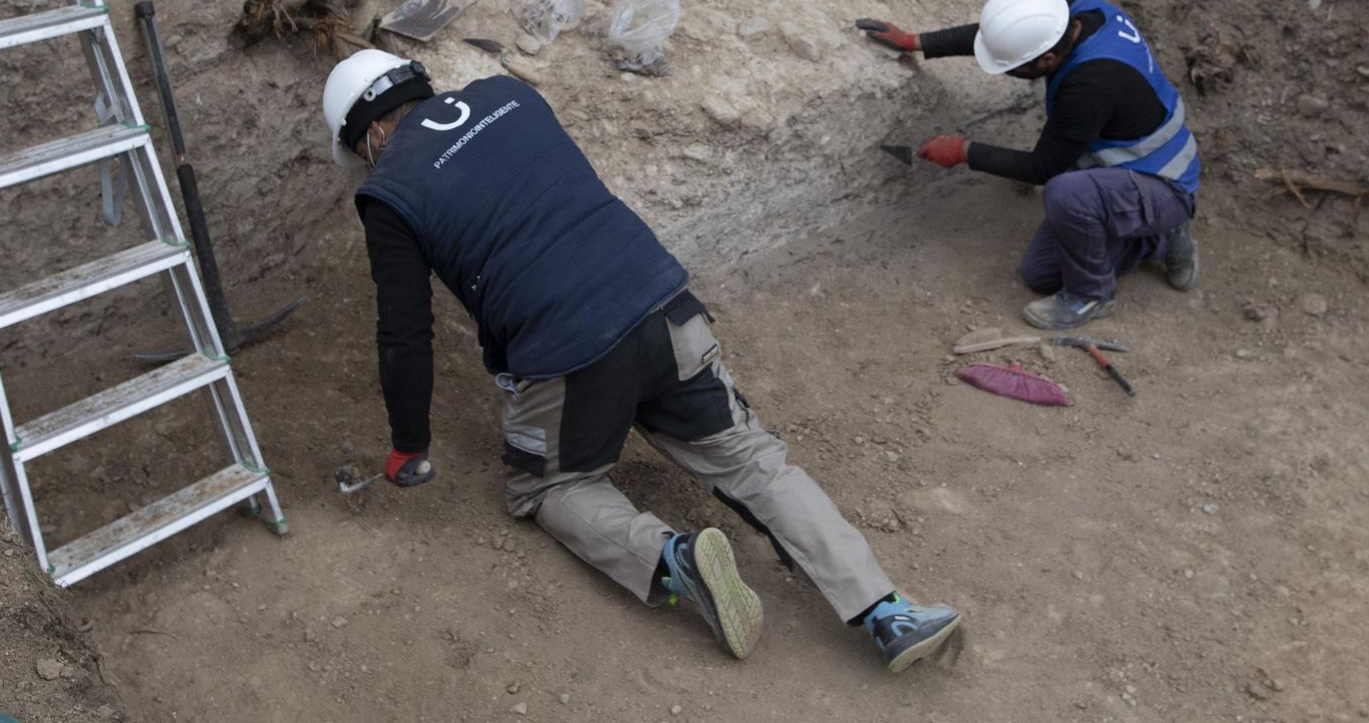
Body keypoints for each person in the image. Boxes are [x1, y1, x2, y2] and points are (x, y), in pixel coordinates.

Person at [320, 50, 961, 673]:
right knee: (749, 456)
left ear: (371, 131)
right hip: (663, 302)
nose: (364, 162)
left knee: (548, 486)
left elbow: (405, 332)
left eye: (357, 151)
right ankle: (888, 610)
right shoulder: (508, 94)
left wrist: (409, 443)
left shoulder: (389, 191)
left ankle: (672, 558)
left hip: (567, 349)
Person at [858, 0, 1201, 329]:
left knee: (1065, 194)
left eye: (1014, 68)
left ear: (1048, 60)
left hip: (1162, 181)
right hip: (1121, 164)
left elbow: (1043, 168)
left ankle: (1093, 294)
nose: (1009, 72)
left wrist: (964, 151)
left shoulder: (1089, 87)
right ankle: (1149, 236)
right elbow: (1005, 37)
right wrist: (917, 42)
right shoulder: (1077, 13)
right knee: (1040, 273)